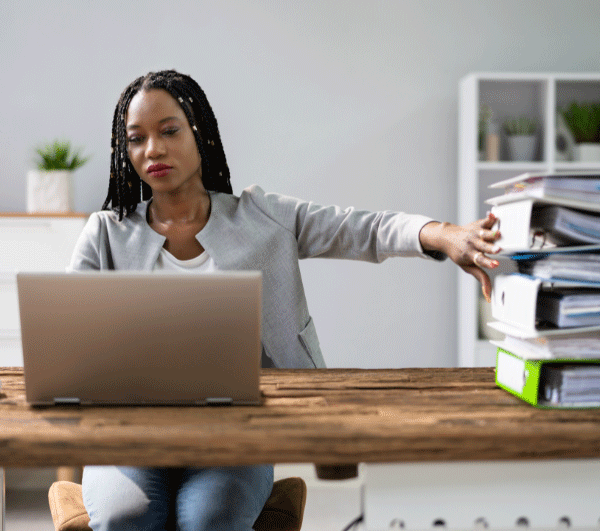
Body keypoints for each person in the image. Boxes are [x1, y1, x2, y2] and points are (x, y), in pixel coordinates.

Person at [69, 69, 501, 531]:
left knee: (210, 518)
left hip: (238, 430)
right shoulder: (106, 232)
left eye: (169, 131)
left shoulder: (261, 217)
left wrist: (443, 234)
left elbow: (362, 228)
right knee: (126, 516)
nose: (152, 149)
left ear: (200, 133)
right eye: (136, 139)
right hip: (129, 431)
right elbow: (69, 340)